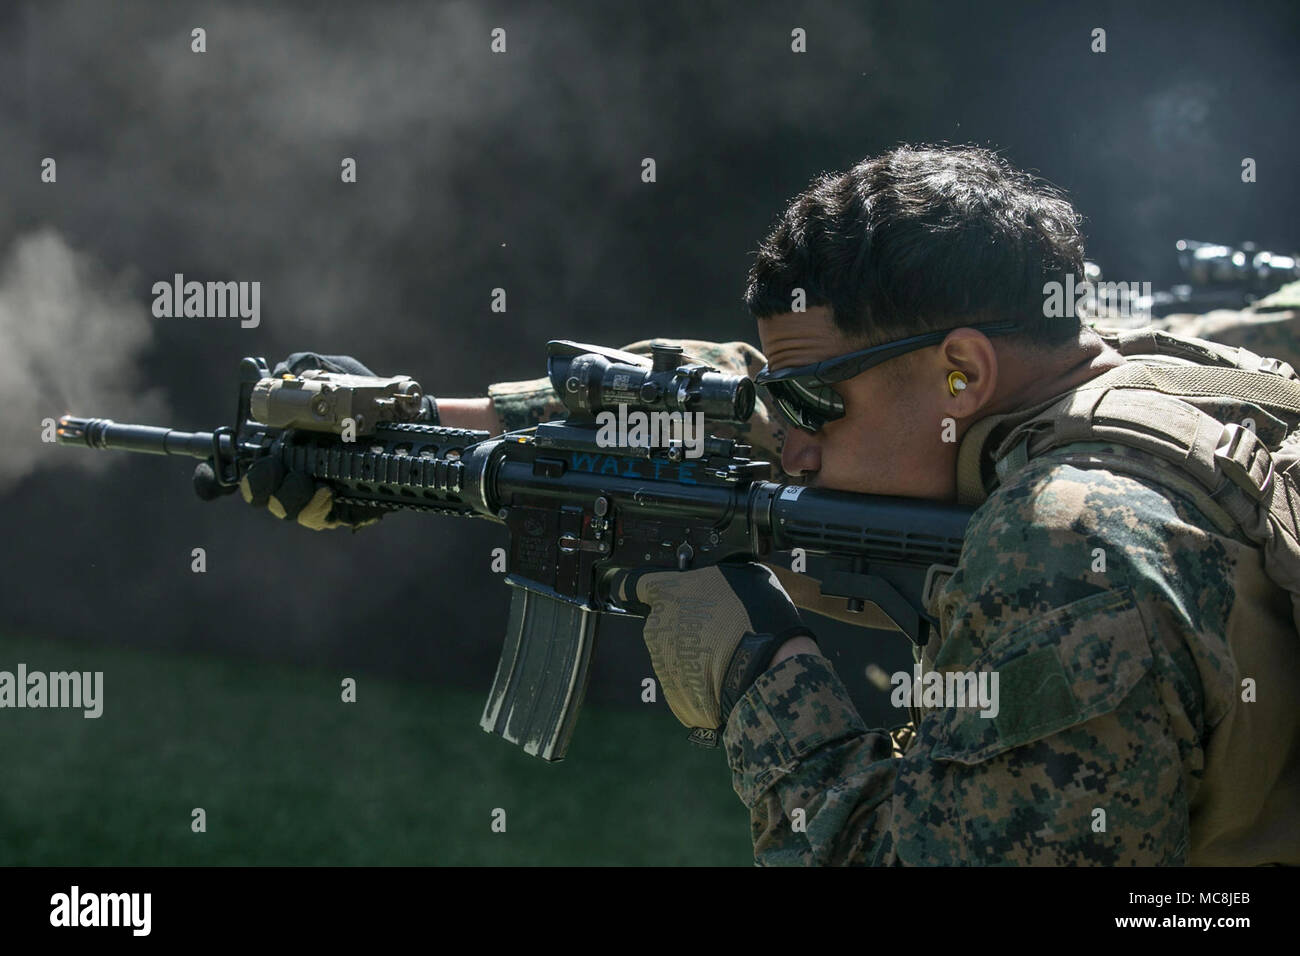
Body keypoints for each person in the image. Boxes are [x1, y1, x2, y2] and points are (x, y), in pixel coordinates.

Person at [230, 146, 1300, 865]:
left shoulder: (1065, 543)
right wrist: (420, 423)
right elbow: (751, 391)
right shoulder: (1153, 370)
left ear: (962, 373)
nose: (784, 440)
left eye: (808, 402)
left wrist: (756, 683)